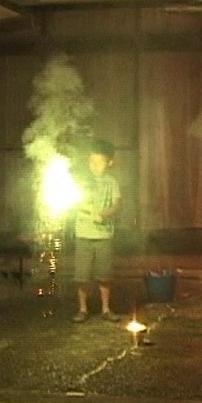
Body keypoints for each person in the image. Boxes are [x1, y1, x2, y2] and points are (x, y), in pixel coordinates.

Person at [71, 139, 121, 324]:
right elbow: (73, 200)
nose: (95, 166)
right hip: (83, 235)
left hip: (104, 236)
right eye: (92, 162)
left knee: (104, 275)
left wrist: (104, 214)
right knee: (82, 275)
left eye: (99, 162)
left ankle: (106, 309)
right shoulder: (82, 181)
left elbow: (117, 204)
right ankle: (83, 309)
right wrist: (83, 206)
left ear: (110, 162)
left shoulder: (112, 182)